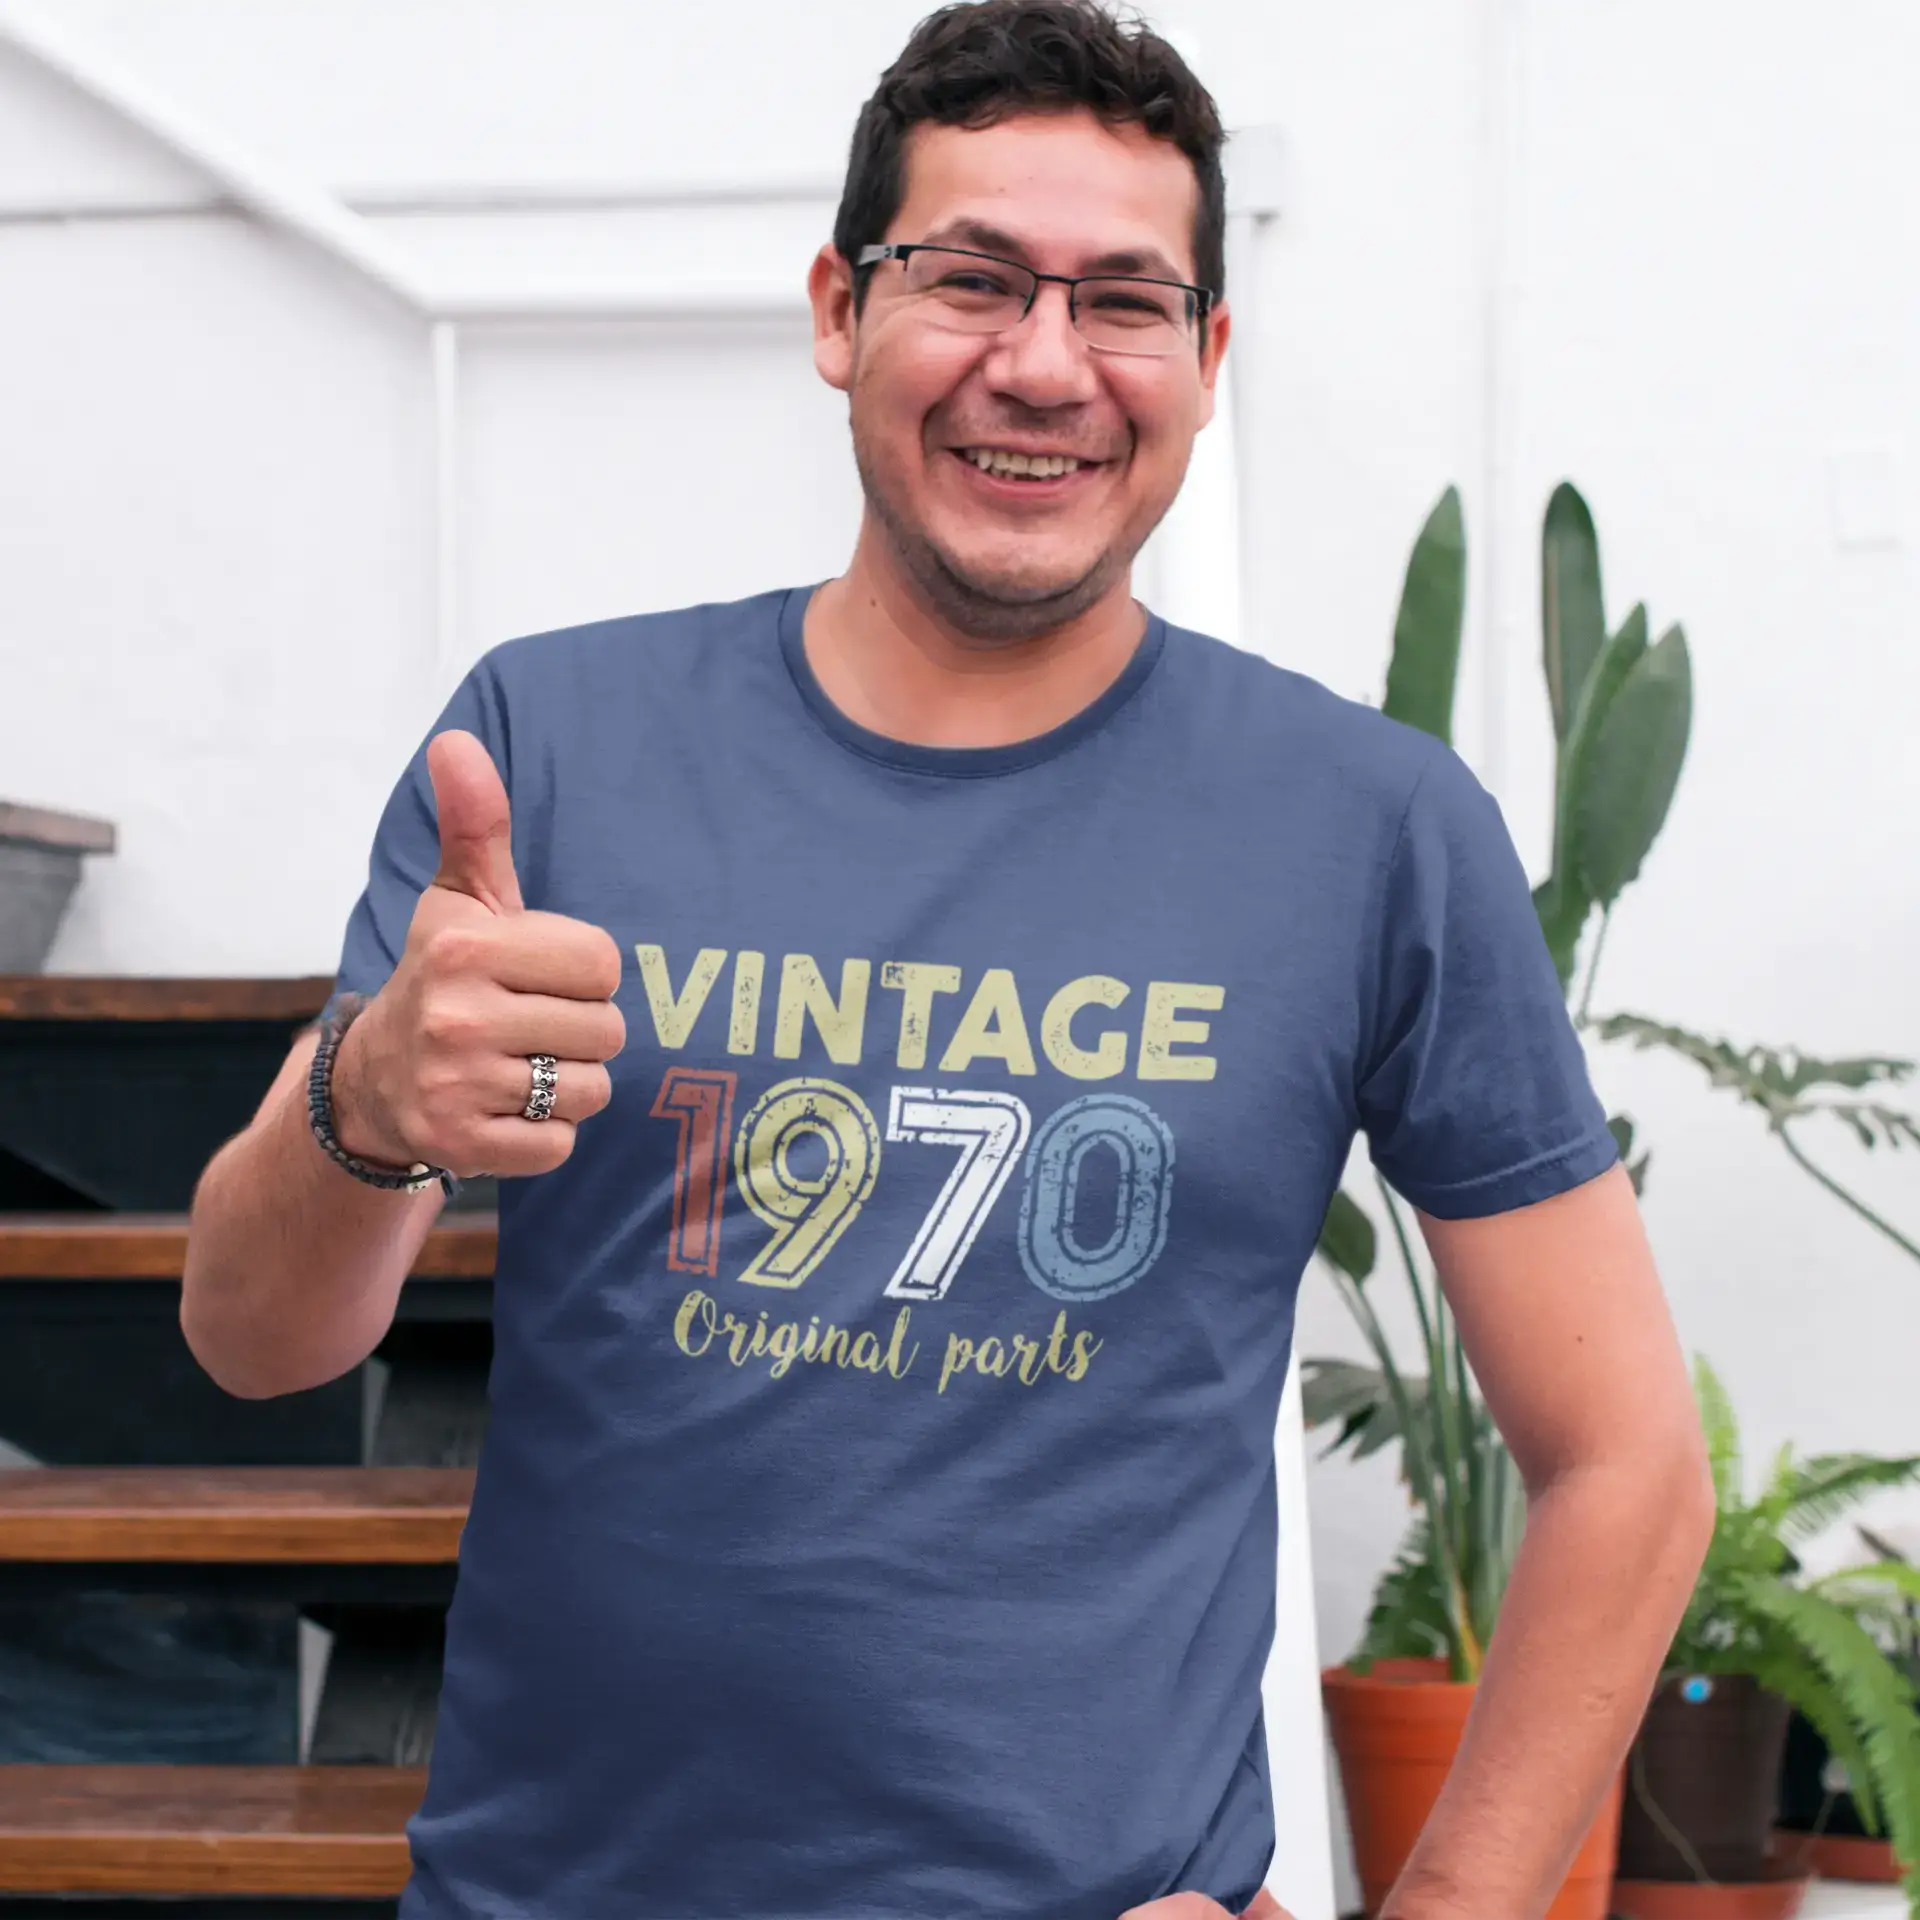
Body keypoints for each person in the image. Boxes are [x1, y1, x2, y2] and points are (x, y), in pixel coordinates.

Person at [182, 3, 1714, 1915]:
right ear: (841, 312)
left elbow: (1627, 1461)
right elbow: (254, 1340)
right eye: (972, 279)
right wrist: (366, 1102)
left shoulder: (1370, 828)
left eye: (1125, 302)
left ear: (1206, 360)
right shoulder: (553, 746)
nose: (1044, 365)